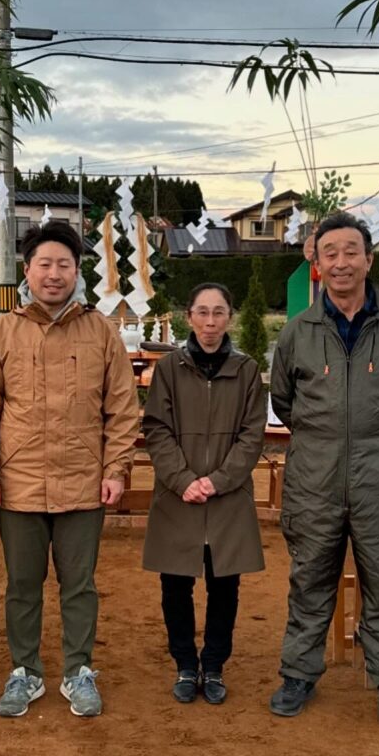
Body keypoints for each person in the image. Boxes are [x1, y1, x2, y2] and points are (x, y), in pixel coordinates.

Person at [0, 221, 139, 718]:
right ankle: (26, 672)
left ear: (77, 271)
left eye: (64, 264)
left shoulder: (101, 331)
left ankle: (78, 670)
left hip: (84, 483)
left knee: (79, 584)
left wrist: (116, 468)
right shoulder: (1, 331)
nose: (54, 274)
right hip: (17, 484)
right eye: (45, 264)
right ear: (28, 270)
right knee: (22, 584)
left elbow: (122, 408)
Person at [268, 211, 379, 730]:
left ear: (368, 259)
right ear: (316, 264)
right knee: (310, 577)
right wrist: (326, 440)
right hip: (313, 473)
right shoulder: (298, 333)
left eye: (350, 252)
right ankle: (298, 674)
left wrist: (370, 440)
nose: (340, 262)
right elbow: (285, 402)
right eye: (329, 253)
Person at [142, 283, 267, 705]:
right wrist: (183, 479)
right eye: (202, 312)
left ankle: (213, 666)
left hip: (228, 497)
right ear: (188, 317)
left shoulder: (247, 369)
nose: (210, 322)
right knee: (175, 584)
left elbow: (253, 435)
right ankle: (183, 664)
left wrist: (219, 480)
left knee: (224, 585)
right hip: (178, 495)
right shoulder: (169, 369)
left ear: (229, 316)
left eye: (218, 312)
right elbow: (156, 428)